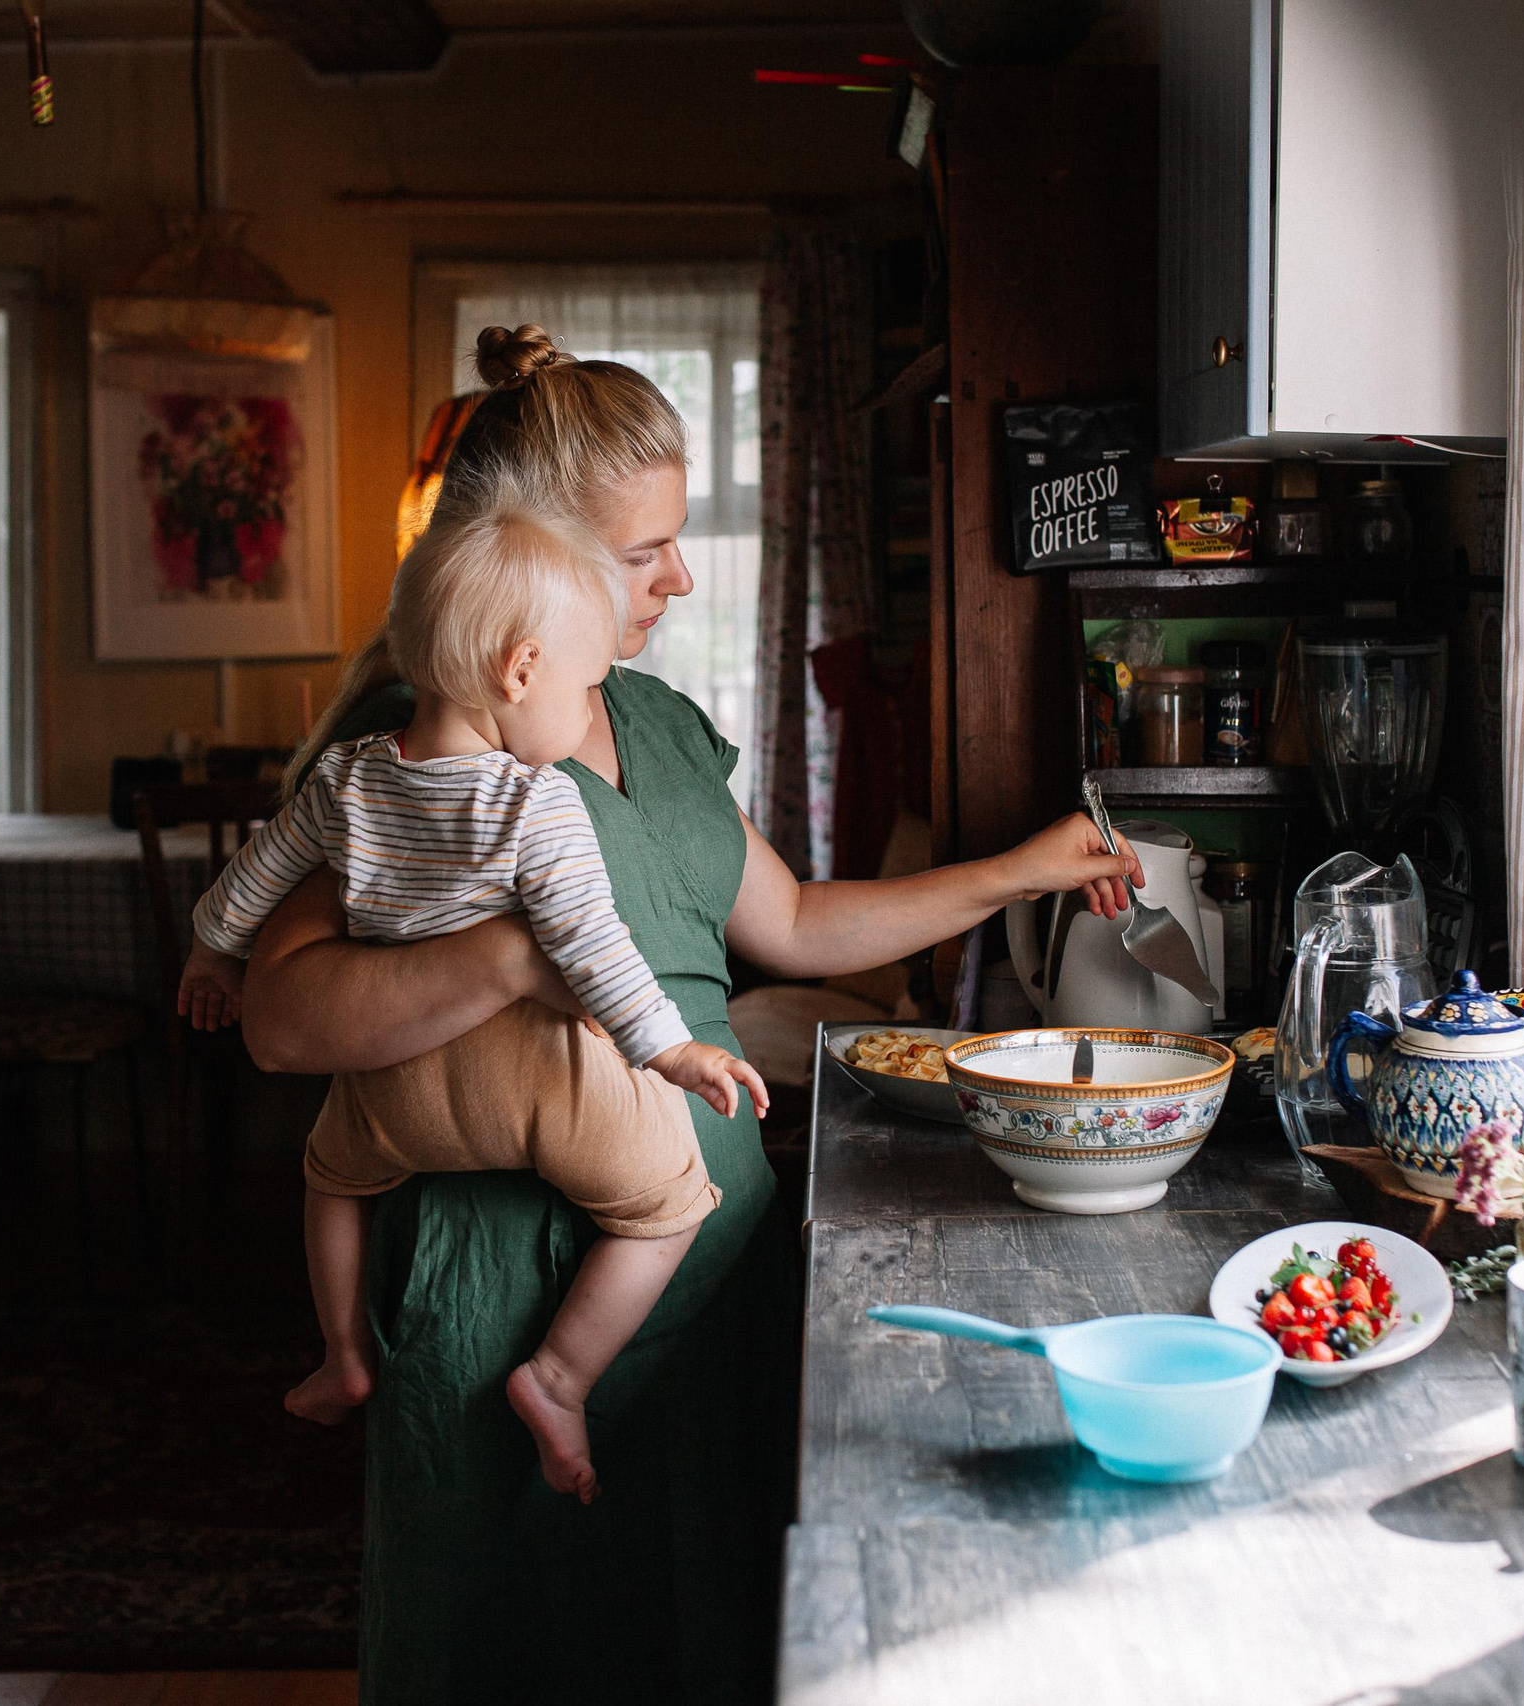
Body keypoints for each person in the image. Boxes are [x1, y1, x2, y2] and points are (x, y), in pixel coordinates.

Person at [240, 324, 1140, 1704]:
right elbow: (282, 1020)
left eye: (680, 534)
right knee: (502, 1656)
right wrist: (509, 962)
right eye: (639, 549)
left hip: (709, 1287)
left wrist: (1017, 868)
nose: (681, 573)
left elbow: (791, 926)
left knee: (698, 1642)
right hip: (498, 1308)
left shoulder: (650, 721)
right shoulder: (411, 738)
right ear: (523, 551)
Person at [175, 469, 767, 1502]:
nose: (589, 709)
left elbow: (253, 885)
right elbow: (593, 951)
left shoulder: (345, 777)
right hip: (538, 1080)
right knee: (673, 1205)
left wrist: (210, 954)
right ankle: (559, 1375)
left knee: (330, 1175)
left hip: (393, 1085)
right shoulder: (537, 804)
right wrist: (672, 1048)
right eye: (584, 687)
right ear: (520, 667)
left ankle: (342, 1351)